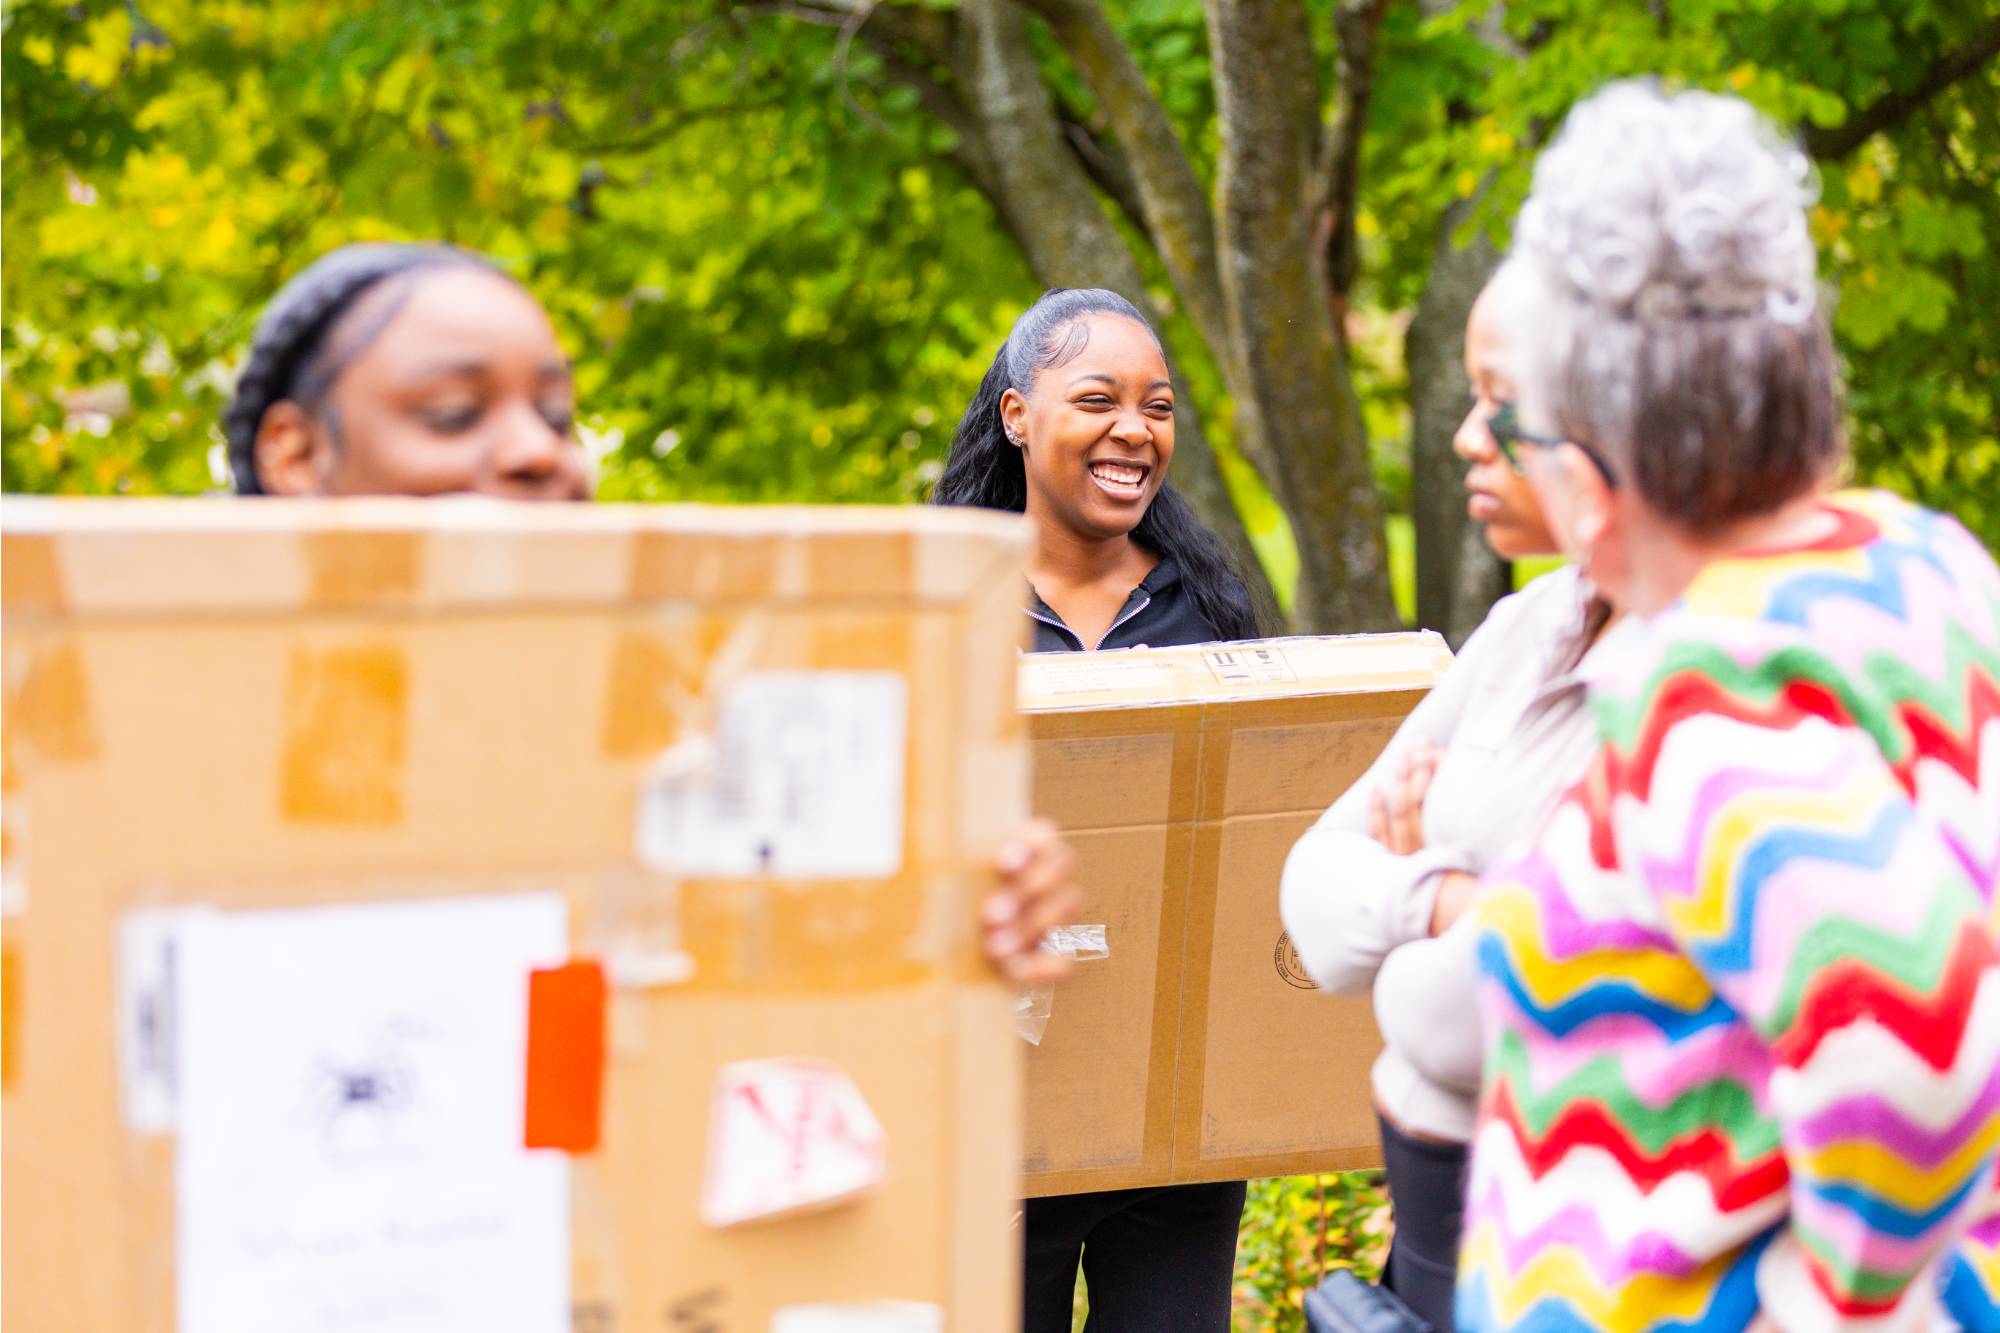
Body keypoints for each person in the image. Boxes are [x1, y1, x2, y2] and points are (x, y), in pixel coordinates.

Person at [1456, 83, 2000, 1331]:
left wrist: (1837, 1300)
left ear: (1595, 466)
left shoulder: (1705, 683)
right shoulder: (1920, 563)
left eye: (1519, 424)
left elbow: (1907, 1021)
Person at [225, 241, 1079, 990]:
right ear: (297, 454)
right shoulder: (173, 738)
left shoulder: (669, 740)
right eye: (453, 413)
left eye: (557, 416)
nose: (538, 451)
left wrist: (966, 903)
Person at [1279, 260, 1619, 1331]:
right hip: (1428, 1258)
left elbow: (1500, 1003)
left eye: (1501, 403)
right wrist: (1440, 899)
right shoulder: (1526, 629)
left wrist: (1422, 913)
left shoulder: (1709, 672)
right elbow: (1309, 892)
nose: (1468, 436)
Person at [931, 287, 1259, 1331]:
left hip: (1166, 1122)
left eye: (1157, 407)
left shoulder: (1204, 604)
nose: (1134, 430)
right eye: (1098, 399)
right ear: (1017, 413)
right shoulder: (936, 602)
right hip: (989, 1111)